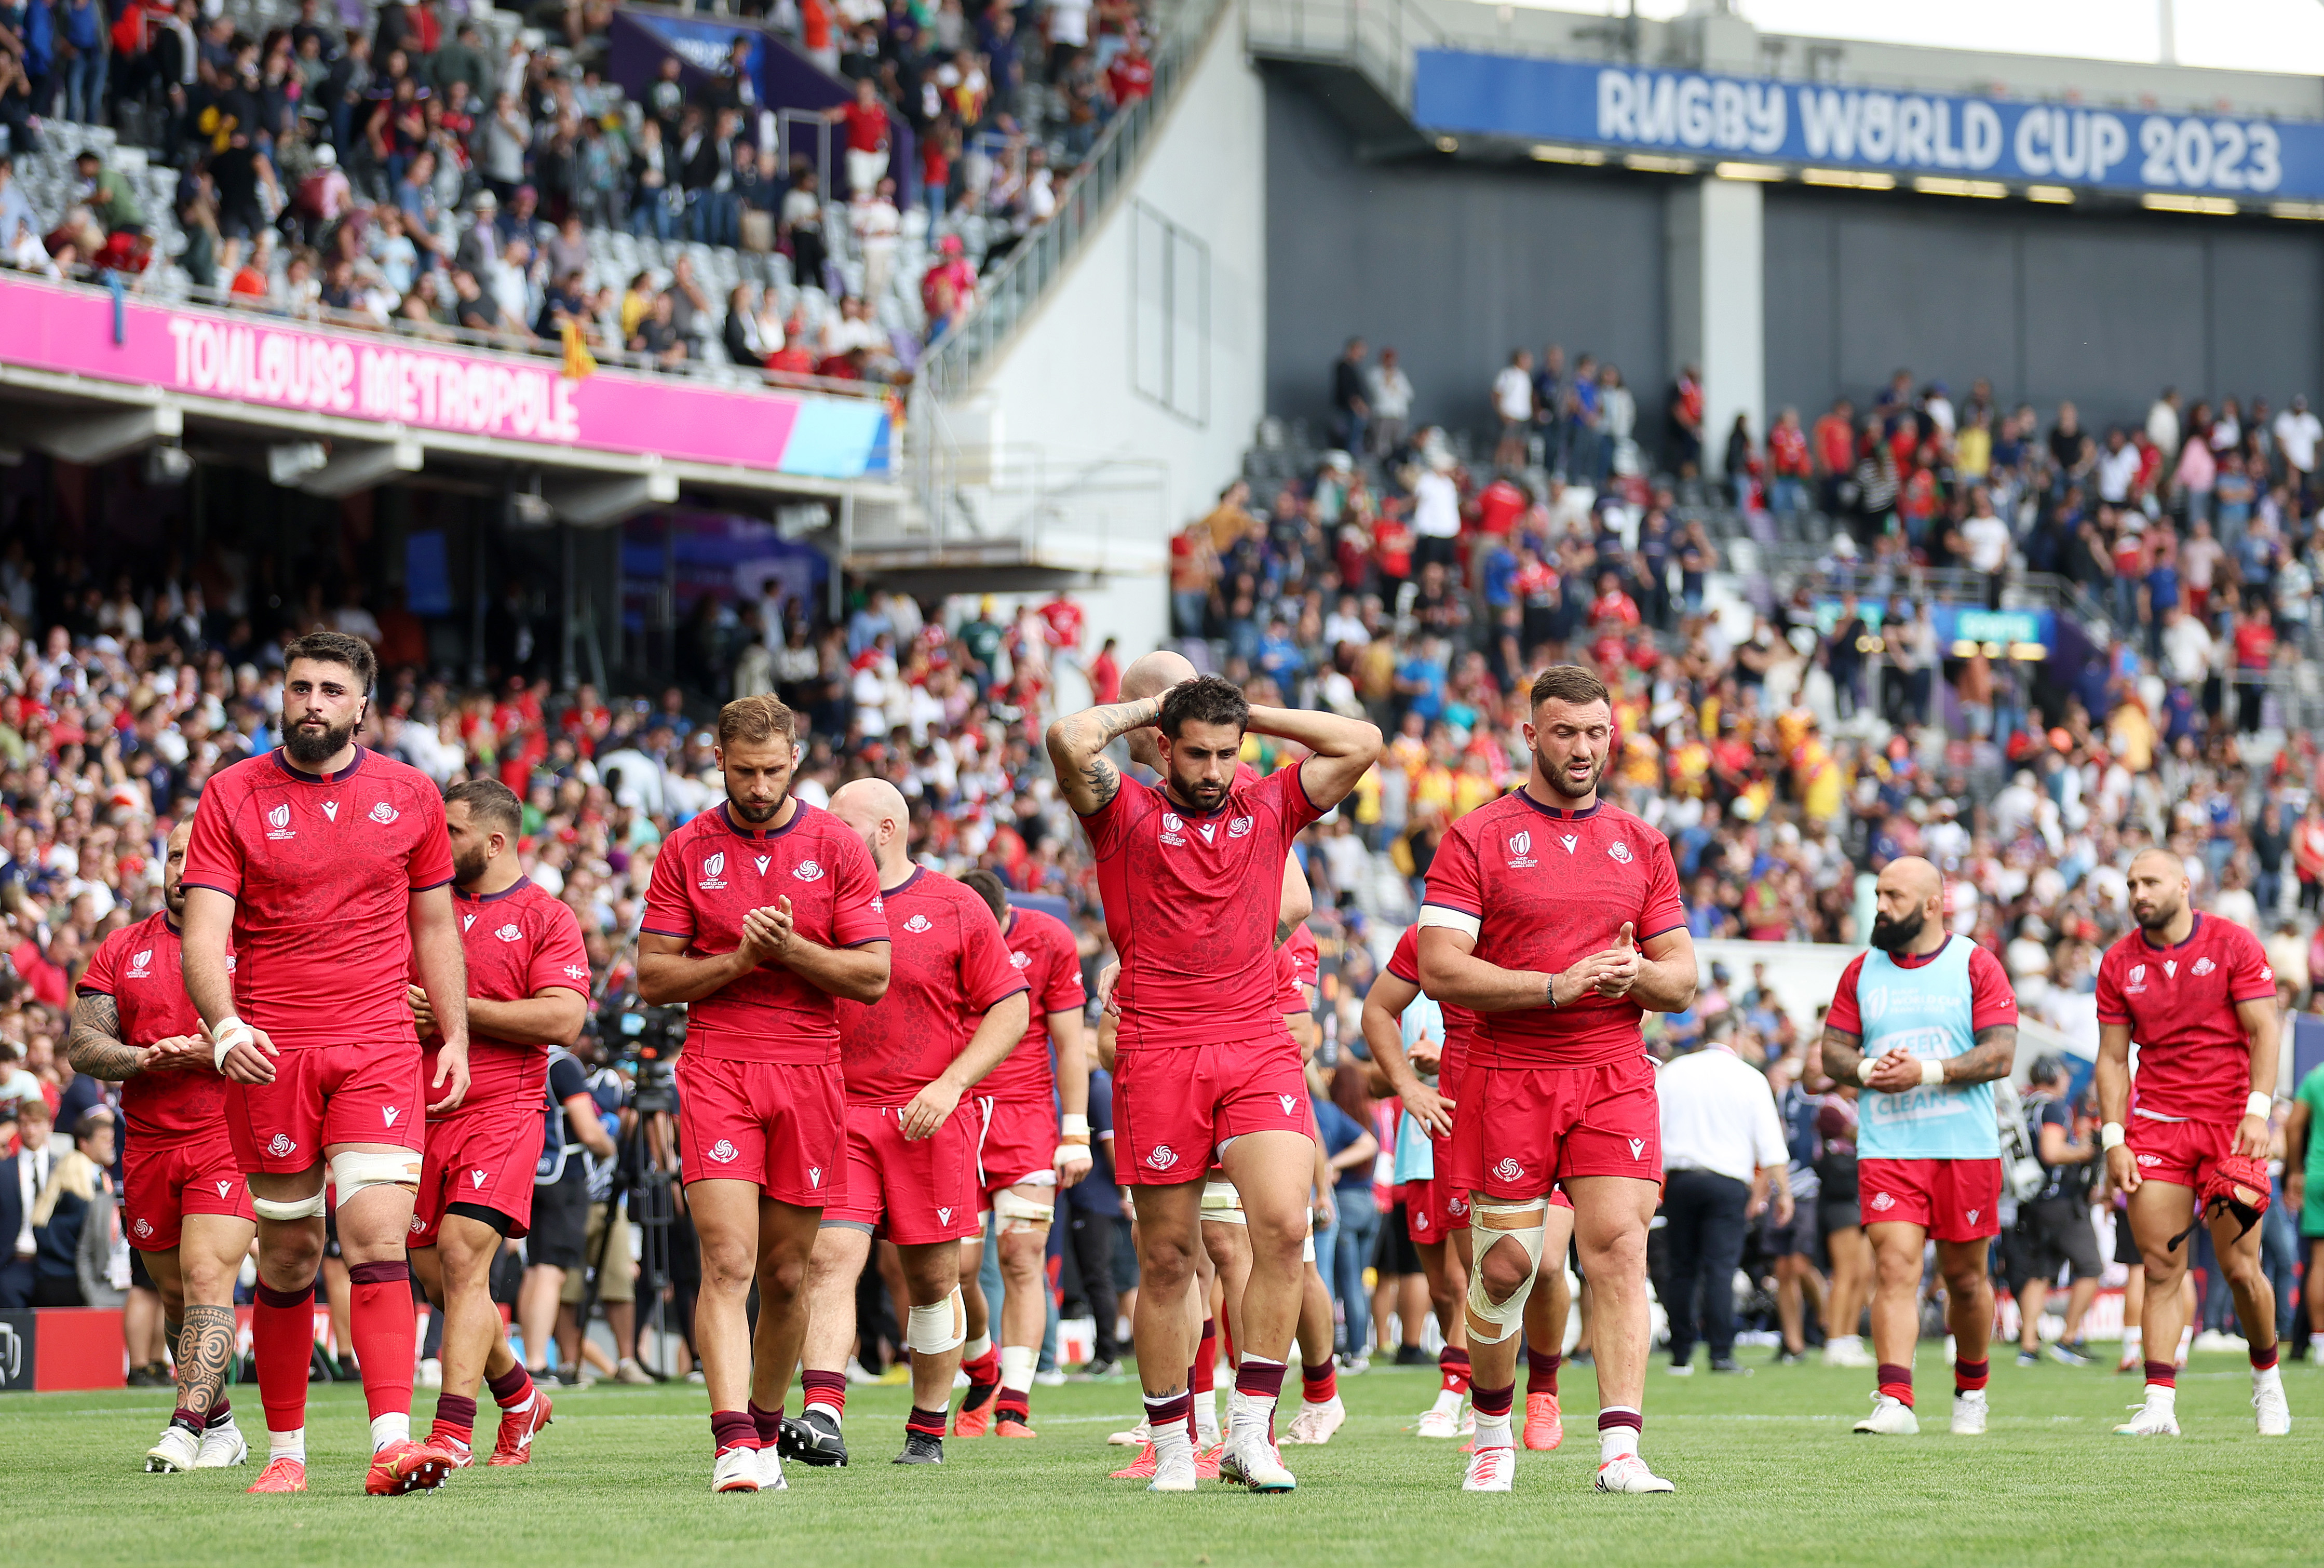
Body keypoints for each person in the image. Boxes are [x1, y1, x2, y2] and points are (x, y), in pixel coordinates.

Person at [1047, 673, 1379, 1493]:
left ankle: (1249, 1433)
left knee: (1283, 1228)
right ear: (1165, 745)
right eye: (1197, 752)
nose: (1214, 769)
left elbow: (1361, 743)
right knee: (1165, 1259)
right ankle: (1169, 1447)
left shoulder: (1268, 806)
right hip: (1158, 1048)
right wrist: (1156, 707)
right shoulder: (1123, 813)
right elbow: (1067, 739)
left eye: (1228, 754)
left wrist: (1246, 713)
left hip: (1258, 1040)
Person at [182, 629, 471, 1497]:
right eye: (300, 686)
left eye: (331, 690)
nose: (313, 701)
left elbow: (434, 928)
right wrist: (224, 1025)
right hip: (271, 1052)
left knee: (377, 1238)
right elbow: (203, 933)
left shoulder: (412, 794)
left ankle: (393, 1444)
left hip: (379, 1044)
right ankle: (287, 1455)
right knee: (289, 1255)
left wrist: (452, 1032)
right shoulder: (231, 794)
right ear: (282, 695)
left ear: (363, 706)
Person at [1416, 663, 1697, 1495]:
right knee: (1506, 1267)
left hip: (1611, 1069)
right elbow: (1439, 967)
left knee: (1617, 1250)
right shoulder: (1477, 836)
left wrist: (1630, 976)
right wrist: (1552, 988)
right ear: (1531, 736)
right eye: (1566, 733)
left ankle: (1620, 1453)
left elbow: (1680, 980)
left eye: (1597, 733)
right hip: (1510, 1072)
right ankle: (1492, 1436)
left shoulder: (1642, 842)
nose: (1583, 748)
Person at [637, 695, 890, 1493]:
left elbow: (873, 974)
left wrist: (791, 952)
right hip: (719, 1064)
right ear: (717, 759)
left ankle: (767, 1429)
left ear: (796, 759)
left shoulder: (837, 845)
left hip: (812, 1069)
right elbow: (653, 975)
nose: (758, 785)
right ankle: (731, 1441)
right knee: (728, 1260)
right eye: (744, 771)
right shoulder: (685, 848)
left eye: (773, 771)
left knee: (787, 1275)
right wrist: (738, 962)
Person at [797, 779, 1027, 1467]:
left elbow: (1009, 1009)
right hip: (840, 1113)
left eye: (843, 824)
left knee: (933, 1282)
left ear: (888, 829)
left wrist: (952, 1084)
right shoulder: (816, 907)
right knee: (829, 1259)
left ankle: (927, 1427)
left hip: (929, 1117)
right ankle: (823, 1416)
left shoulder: (956, 905)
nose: (827, 834)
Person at [404, 779, 591, 1468]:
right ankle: (520, 1399)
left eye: (450, 831)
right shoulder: (422, 909)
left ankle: (451, 1433)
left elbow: (564, 1019)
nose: (438, 843)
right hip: (420, 1111)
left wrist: (458, 1011)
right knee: (439, 1279)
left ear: (495, 840)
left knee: (461, 1256)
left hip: (503, 1110)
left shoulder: (546, 916)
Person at [68, 816, 256, 1473]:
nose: (184, 867)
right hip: (148, 1144)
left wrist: (218, 1047)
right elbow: (82, 1043)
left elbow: (290, 1033)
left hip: (229, 1136)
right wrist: (144, 1059)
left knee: (208, 1279)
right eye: (175, 854)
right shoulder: (122, 946)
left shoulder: (255, 941)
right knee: (176, 1297)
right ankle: (225, 1426)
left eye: (196, 855)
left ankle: (182, 1427)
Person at [1817, 856, 2016, 1438]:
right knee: (1895, 1267)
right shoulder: (1861, 970)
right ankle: (1895, 1399)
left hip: (1965, 1146)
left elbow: (2000, 1054)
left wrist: (1923, 1071)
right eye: (1878, 893)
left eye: (1894, 896)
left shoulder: (1975, 962)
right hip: (1889, 1145)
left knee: (1964, 1279)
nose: (1880, 905)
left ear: (1932, 904)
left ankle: (1972, 1390)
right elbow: (1832, 1051)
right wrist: (1866, 1068)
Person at [2096, 848, 2291, 1437]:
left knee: (2240, 1267)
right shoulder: (2117, 961)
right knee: (2161, 1267)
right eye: (2132, 884)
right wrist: (2114, 1138)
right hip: (2156, 1123)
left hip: (2231, 1123)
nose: (2138, 893)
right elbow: (2111, 1058)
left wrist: (2258, 1112)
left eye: (2150, 881)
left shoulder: (2234, 942)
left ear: (2184, 884)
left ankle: (2268, 1380)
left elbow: (2265, 1030)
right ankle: (2159, 1403)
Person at [1362, 923, 1571, 1451]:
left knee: (1545, 1265)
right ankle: (1488, 1418)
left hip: (1552, 1104)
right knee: (1485, 1276)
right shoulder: (1429, 937)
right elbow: (1375, 1021)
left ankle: (1543, 1387)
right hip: (1464, 1125)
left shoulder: (1551, 916)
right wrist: (1410, 1082)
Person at [950, 870, 1090, 1440]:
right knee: (953, 1268)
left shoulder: (1050, 938)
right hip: (955, 1111)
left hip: (1027, 1115)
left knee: (1022, 1254)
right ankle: (982, 1369)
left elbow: (1069, 1042)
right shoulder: (943, 929)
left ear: (1004, 915)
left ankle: (1015, 1402)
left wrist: (1075, 1130)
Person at [1656, 1019, 1790, 1375]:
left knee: (1682, 1268)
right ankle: (1720, 1353)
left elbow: (1653, 1128)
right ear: (1735, 1035)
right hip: (1728, 1182)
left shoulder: (1674, 1072)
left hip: (1681, 1179)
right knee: (1720, 1268)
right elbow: (1771, 1144)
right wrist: (1784, 1193)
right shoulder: (1749, 1076)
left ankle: (1681, 1353)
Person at [2006, 1055, 2101, 1366]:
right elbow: (2052, 1150)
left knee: (2041, 1272)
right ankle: (2069, 1339)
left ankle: (2029, 1345)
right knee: (2090, 1266)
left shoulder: (2024, 1103)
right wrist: (2085, 1152)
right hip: (2059, 1199)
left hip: (2031, 1199)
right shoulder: (2053, 1106)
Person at [2, 1093, 58, 1309]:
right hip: (13, 1260)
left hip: (53, 1262)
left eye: (36, 1124)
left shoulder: (61, 1168)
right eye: (24, 1124)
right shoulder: (4, 1169)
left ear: (49, 1126)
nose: (30, 1130)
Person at [2286, 1057, 2324, 1362]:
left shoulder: (2316, 1076)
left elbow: (2293, 1125)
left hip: (2318, 1174)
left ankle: (2320, 1343)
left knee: (2320, 1262)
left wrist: (2296, 1171)